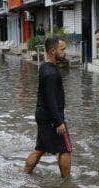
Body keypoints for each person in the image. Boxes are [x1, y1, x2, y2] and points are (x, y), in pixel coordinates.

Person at [23, 37, 72, 178]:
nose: (64, 52)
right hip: (51, 118)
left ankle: (25, 174)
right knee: (66, 149)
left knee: (40, 148)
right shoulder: (50, 73)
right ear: (52, 51)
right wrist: (59, 121)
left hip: (43, 115)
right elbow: (50, 99)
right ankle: (66, 182)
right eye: (62, 49)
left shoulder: (45, 67)